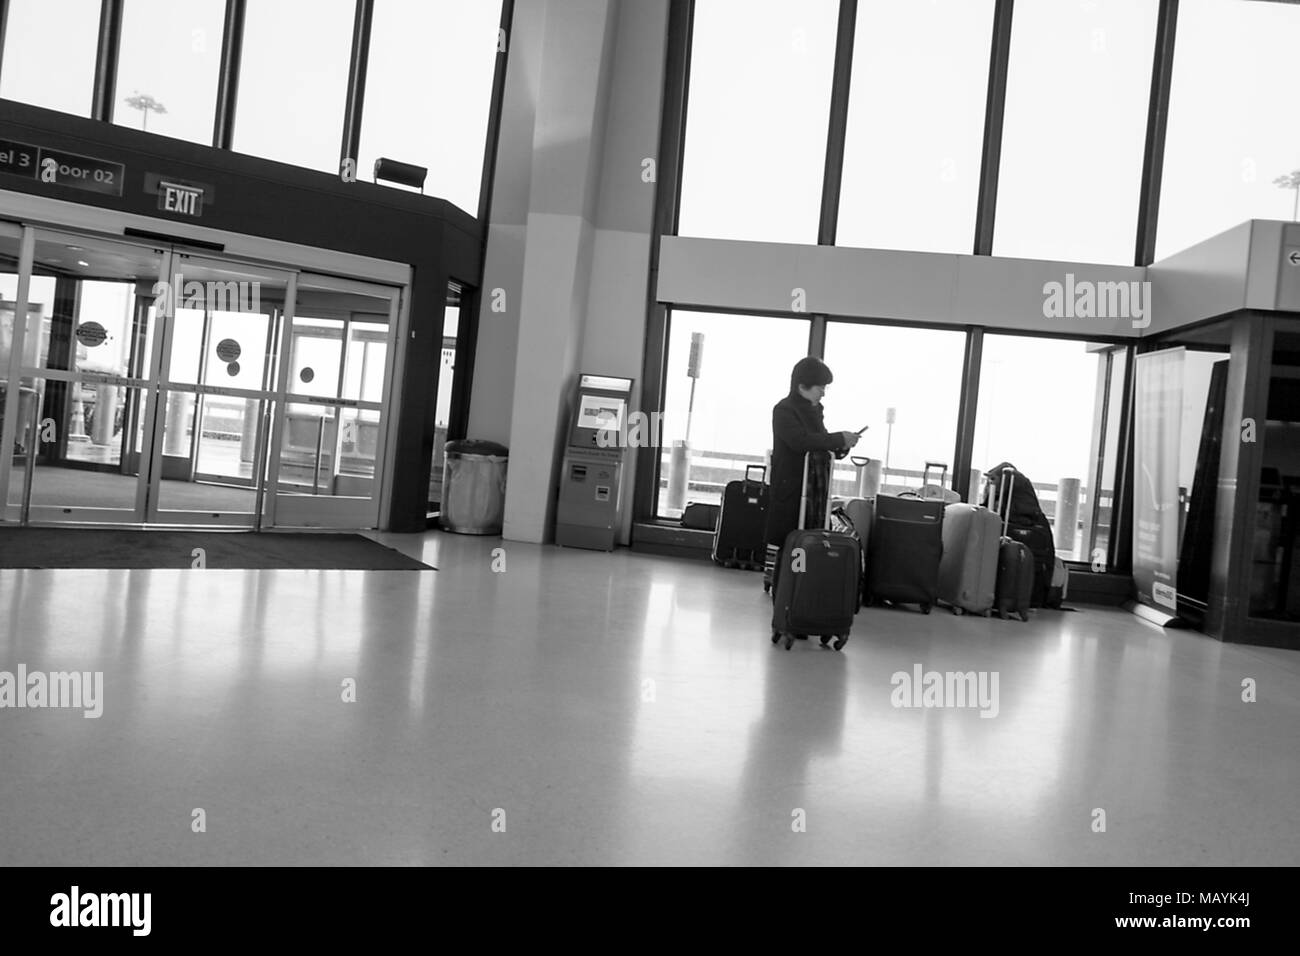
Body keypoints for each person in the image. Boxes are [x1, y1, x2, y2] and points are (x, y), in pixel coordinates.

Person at [763, 356, 860, 602]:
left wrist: (843, 445)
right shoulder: (784, 410)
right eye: (821, 387)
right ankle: (786, 594)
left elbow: (822, 441)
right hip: (791, 488)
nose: (824, 394)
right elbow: (801, 442)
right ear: (802, 386)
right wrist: (838, 439)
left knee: (807, 539)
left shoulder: (815, 411)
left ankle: (798, 590)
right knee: (792, 540)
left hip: (814, 489)